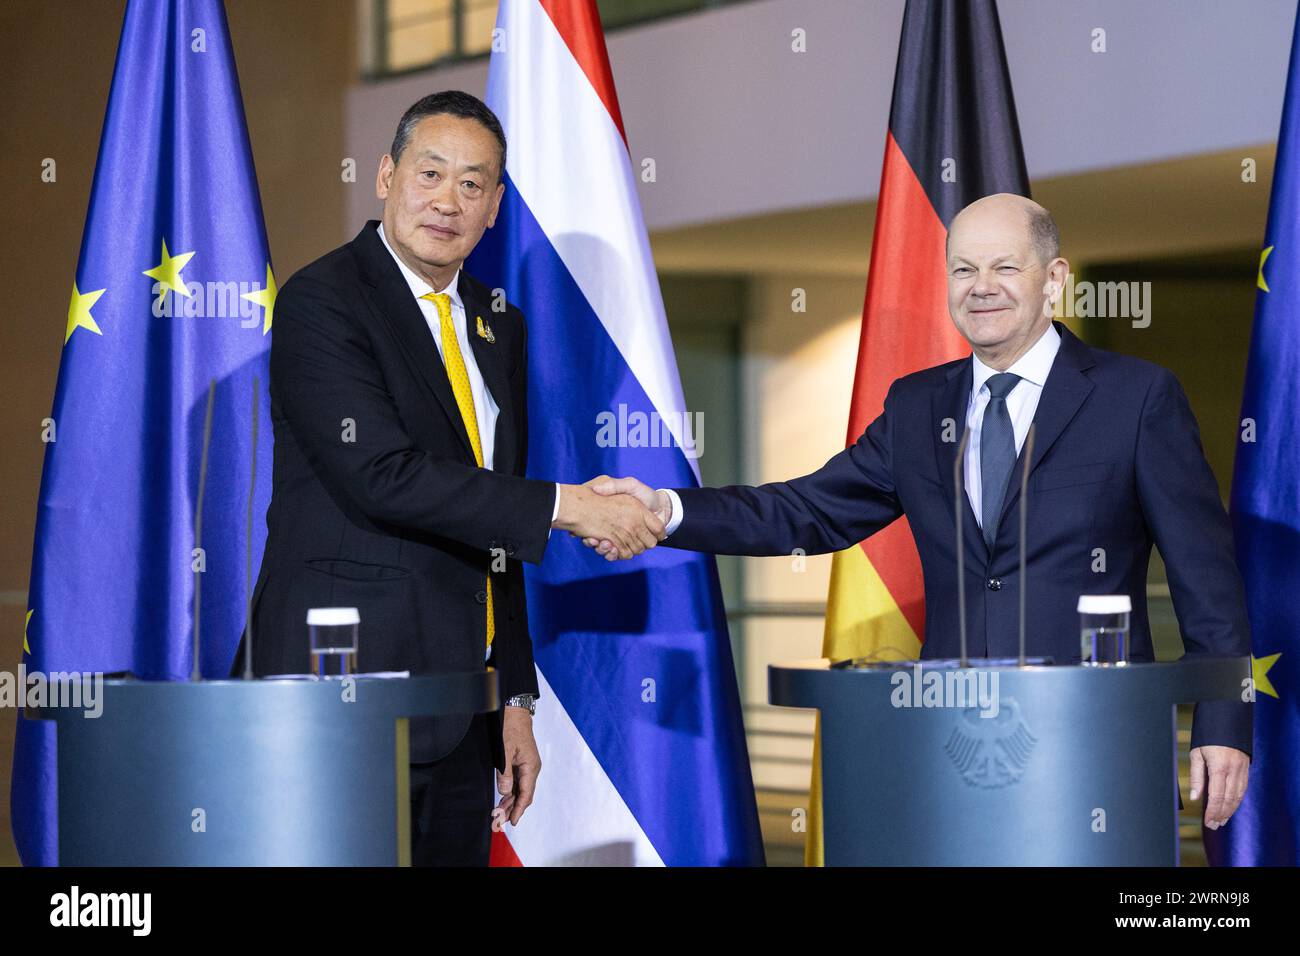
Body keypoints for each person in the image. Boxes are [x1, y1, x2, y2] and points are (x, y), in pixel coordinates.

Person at [584, 193, 1252, 831]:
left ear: (1054, 280)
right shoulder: (917, 407)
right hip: (950, 745)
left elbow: (1207, 579)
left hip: (1097, 741)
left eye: (1003, 267)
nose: (980, 285)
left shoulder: (1135, 397)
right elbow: (806, 510)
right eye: (963, 268)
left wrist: (1223, 723)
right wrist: (668, 509)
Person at [236, 90, 665, 865]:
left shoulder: (498, 319)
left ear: (495, 207)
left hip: (466, 708)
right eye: (431, 173)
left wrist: (516, 698)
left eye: (473, 184)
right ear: (386, 176)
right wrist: (571, 508)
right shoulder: (322, 300)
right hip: (344, 692)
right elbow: (383, 475)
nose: (448, 200)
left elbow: (494, 524)